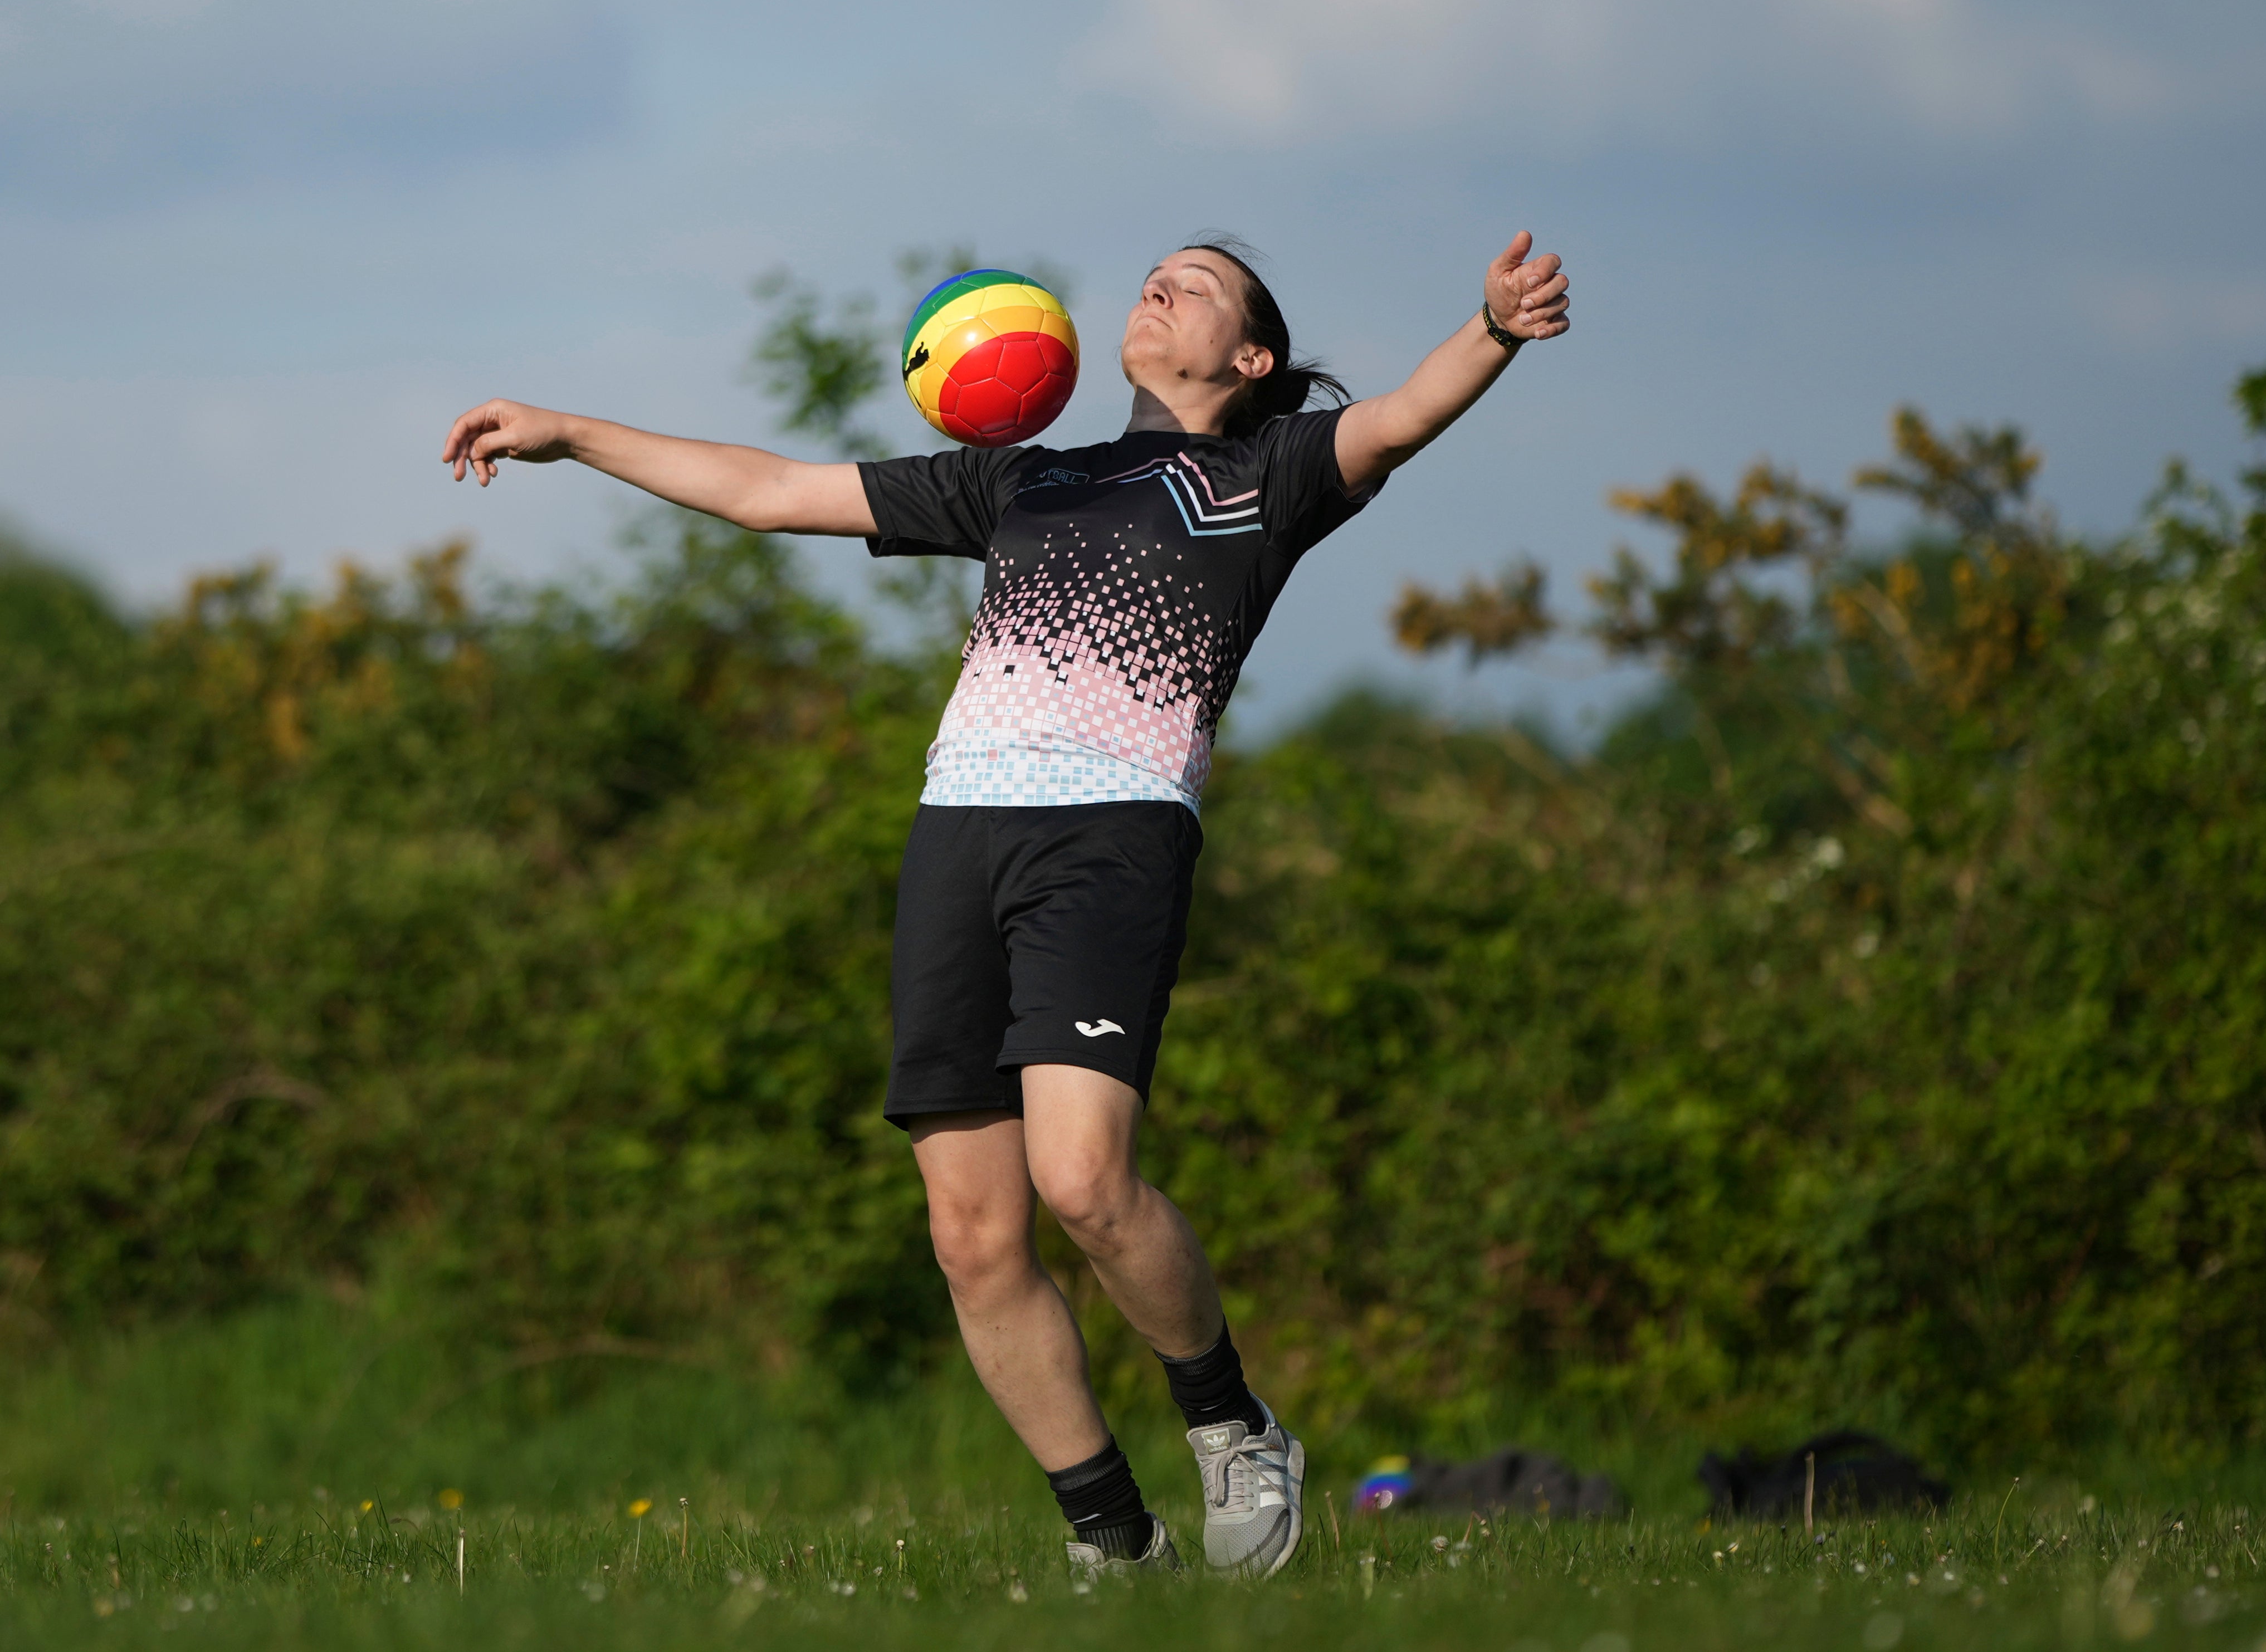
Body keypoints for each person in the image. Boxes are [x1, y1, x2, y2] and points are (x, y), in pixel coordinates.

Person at [438, 231, 1572, 1577]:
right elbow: (767, 490)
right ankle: (1111, 1533)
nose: (1163, 281)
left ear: (1252, 356)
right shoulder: (1020, 478)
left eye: (1199, 282)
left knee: (1084, 1177)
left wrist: (1492, 328)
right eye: (1157, 270)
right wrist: (567, 430)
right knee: (973, 1234)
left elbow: (1402, 413)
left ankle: (1233, 1423)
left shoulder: (1266, 475)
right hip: (956, 834)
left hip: (1111, 834)